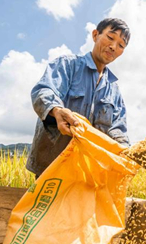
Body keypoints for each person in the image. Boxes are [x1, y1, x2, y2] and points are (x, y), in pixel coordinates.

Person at [27, 18, 131, 178]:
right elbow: (44, 91)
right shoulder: (68, 65)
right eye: (110, 38)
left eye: (121, 45)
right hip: (51, 167)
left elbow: (117, 128)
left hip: (87, 173)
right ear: (95, 35)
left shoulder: (114, 90)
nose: (113, 46)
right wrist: (56, 110)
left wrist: (128, 152)